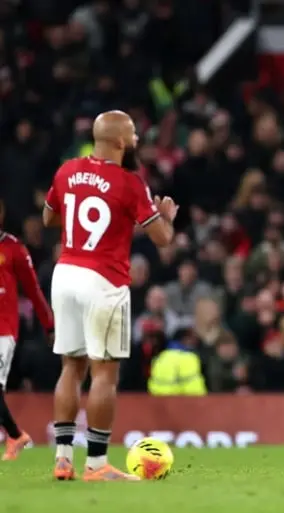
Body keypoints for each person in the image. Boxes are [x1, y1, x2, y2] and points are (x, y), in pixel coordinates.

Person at [43, 110, 178, 481]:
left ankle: (63, 459)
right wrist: (166, 216)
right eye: (133, 134)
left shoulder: (67, 171)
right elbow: (162, 239)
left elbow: (49, 218)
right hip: (103, 280)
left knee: (71, 367)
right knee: (104, 373)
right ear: (119, 141)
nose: (136, 140)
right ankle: (96, 464)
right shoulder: (130, 183)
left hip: (65, 274)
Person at [0, 200, 54, 460]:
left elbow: (33, 290)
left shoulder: (13, 248)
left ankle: (16, 435)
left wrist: (49, 324)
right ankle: (15, 435)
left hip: (3, 329)